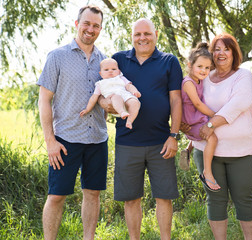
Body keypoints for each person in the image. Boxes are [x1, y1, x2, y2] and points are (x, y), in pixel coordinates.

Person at [99, 18, 182, 240]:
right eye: (137, 34)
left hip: (161, 142)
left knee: (164, 197)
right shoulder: (118, 60)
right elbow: (102, 91)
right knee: (131, 198)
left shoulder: (169, 61)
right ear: (132, 36)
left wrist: (174, 135)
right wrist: (107, 105)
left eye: (147, 33)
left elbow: (176, 101)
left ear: (156, 34)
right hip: (127, 142)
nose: (142, 38)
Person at [37, 5, 108, 240]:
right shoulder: (57, 56)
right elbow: (44, 100)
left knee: (93, 194)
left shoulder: (104, 62)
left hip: (97, 138)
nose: (90, 29)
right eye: (86, 24)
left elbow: (109, 98)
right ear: (77, 24)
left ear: (100, 29)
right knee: (56, 196)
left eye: (96, 25)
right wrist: (50, 141)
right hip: (65, 139)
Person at [181, 33, 252, 240]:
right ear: (210, 53)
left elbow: (239, 103)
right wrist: (182, 124)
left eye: (226, 49)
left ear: (234, 53)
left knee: (243, 198)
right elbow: (190, 103)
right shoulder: (203, 77)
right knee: (215, 200)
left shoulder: (243, 76)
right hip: (205, 150)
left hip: (240, 151)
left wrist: (211, 124)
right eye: (217, 49)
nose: (221, 53)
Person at [180, 42, 220, 192]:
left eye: (207, 68)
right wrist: (215, 115)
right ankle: (207, 172)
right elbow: (197, 103)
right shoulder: (188, 82)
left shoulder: (199, 80)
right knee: (213, 138)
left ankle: (188, 149)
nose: (204, 70)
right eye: (200, 67)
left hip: (197, 119)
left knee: (207, 128)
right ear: (190, 65)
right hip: (192, 120)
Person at [80, 58, 141, 129]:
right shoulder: (100, 84)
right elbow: (94, 97)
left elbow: (129, 86)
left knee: (135, 102)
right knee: (116, 97)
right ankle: (122, 112)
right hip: (114, 104)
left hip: (126, 98)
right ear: (101, 73)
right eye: (106, 70)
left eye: (114, 69)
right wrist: (87, 109)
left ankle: (130, 121)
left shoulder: (121, 78)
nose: (110, 71)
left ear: (119, 71)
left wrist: (135, 91)